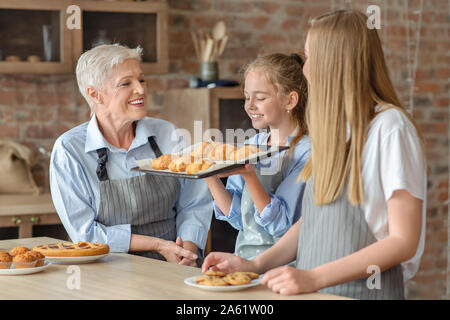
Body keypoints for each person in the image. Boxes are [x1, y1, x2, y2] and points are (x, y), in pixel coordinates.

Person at [202, 10, 427, 300]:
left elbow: (403, 241)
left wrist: (313, 277)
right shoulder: (337, 131)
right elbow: (314, 221)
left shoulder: (390, 127)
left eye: (309, 58)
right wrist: (255, 264)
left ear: (334, 62)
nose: (305, 70)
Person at [50, 44, 213, 266]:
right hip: (106, 270)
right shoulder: (70, 150)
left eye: (142, 80)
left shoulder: (168, 134)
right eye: (126, 83)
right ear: (95, 94)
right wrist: (157, 245)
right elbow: (85, 234)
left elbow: (194, 203)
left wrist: (188, 252)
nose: (141, 89)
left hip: (172, 266)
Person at [205, 53, 311, 260]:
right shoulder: (251, 146)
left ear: (290, 100)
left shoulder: (306, 152)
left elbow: (281, 226)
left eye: (260, 98)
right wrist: (207, 173)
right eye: (247, 96)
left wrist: (249, 176)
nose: (250, 105)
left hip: (286, 268)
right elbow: (237, 218)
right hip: (244, 260)